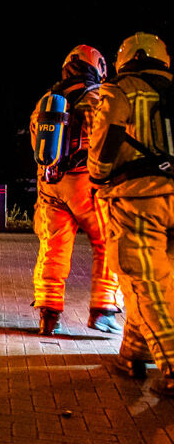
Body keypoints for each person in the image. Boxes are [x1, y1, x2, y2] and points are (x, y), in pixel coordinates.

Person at [89, 32, 174, 393]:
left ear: (125, 60)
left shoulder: (122, 89)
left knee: (146, 281)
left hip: (139, 197)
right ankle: (134, 352)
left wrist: (97, 175)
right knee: (160, 280)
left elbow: (106, 136)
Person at [30, 45, 122, 336]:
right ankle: (104, 309)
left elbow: (38, 148)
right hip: (86, 185)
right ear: (97, 67)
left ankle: (48, 314)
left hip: (50, 185)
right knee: (107, 241)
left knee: (53, 247)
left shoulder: (45, 103)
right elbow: (104, 142)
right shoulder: (96, 98)